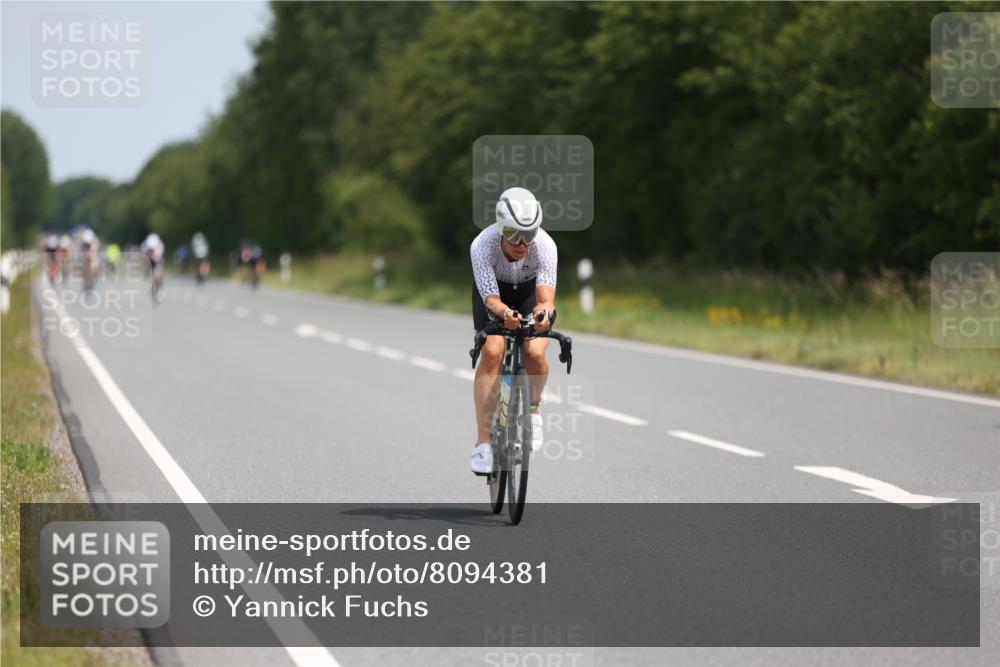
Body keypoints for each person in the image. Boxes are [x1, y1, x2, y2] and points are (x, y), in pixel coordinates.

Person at [468, 186, 557, 474]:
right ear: (501, 229)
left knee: (534, 352)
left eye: (529, 234)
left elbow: (545, 299)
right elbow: (491, 299)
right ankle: (483, 444)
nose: (522, 243)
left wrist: (544, 314)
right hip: (495, 296)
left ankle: (533, 410)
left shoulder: (545, 245)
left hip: (529, 292)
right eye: (515, 235)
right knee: (493, 351)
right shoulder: (482, 245)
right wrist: (505, 313)